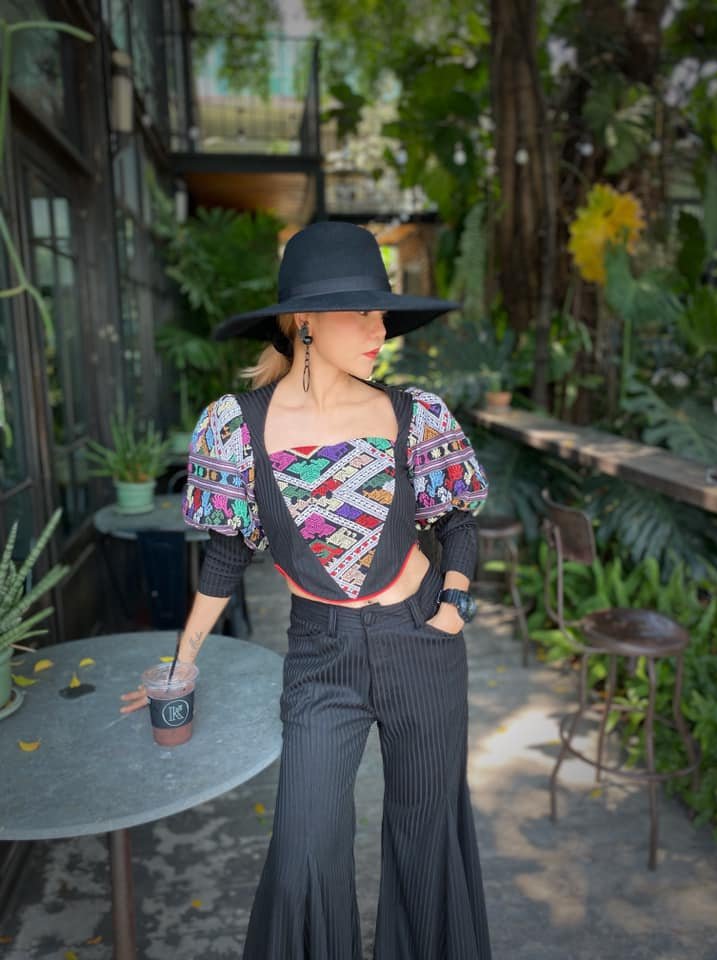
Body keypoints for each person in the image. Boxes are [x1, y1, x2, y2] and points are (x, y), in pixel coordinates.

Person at [120, 221, 493, 959]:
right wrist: (182, 661)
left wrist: (453, 607)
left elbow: (458, 523)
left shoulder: (414, 415)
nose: (380, 329)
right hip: (322, 657)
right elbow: (225, 557)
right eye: (364, 312)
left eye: (383, 312)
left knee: (426, 841)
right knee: (303, 852)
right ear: (306, 323)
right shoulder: (237, 428)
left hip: (422, 643)